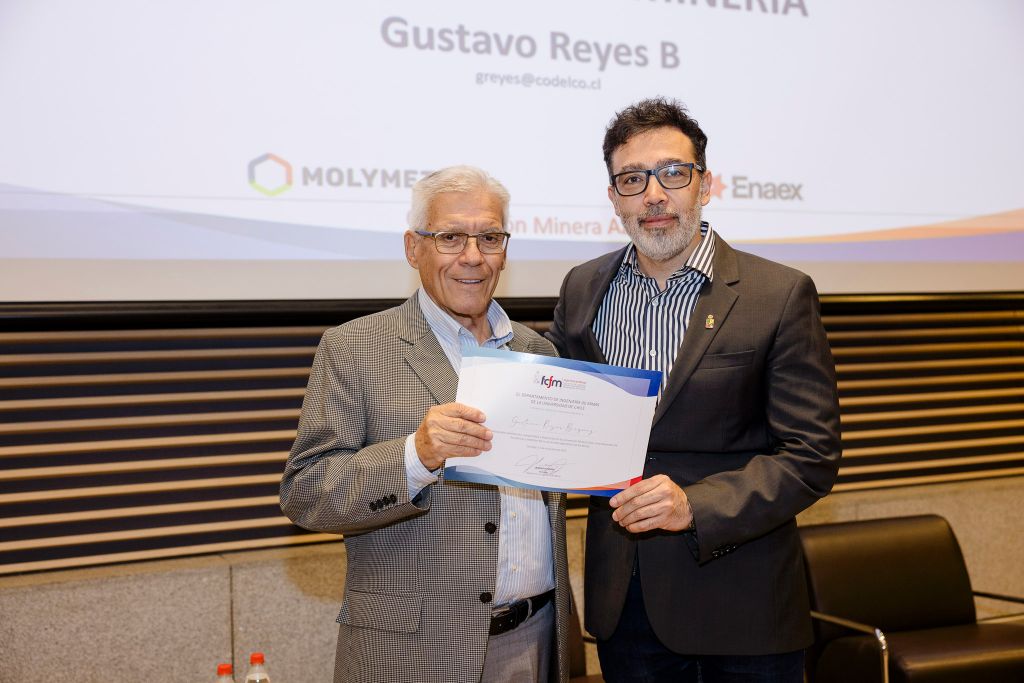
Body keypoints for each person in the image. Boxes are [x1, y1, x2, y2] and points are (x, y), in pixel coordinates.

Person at [545, 98, 842, 682]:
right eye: (633, 179)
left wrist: (695, 506)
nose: (654, 195)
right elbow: (563, 412)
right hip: (625, 608)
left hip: (743, 607)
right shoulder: (582, 288)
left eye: (672, 173)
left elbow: (812, 455)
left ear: (704, 184)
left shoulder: (778, 294)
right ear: (614, 198)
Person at [281, 165, 570, 683]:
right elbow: (306, 494)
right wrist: (415, 455)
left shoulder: (538, 352)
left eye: (489, 238)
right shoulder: (354, 347)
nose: (473, 256)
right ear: (413, 248)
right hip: (412, 651)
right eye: (450, 237)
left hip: (536, 639)